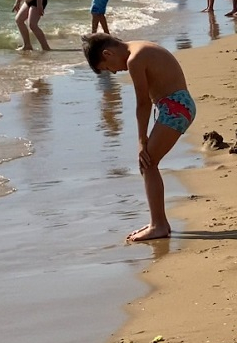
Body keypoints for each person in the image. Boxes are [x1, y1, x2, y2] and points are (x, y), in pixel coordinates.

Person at [82, 33, 196, 242]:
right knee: (149, 163)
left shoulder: (135, 59)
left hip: (176, 108)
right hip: (178, 105)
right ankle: (158, 221)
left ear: (108, 53)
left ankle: (159, 225)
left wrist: (141, 140)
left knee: (148, 163)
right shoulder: (139, 46)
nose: (114, 72)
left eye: (108, 67)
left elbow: (143, 103)